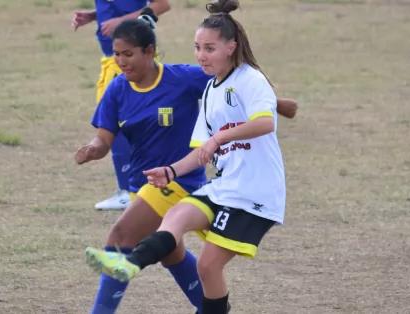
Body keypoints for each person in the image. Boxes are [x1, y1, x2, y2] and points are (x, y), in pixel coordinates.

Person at [83, 1, 287, 313]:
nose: (201, 55)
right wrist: (170, 170)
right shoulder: (207, 92)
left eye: (209, 48)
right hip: (211, 184)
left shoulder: (227, 78)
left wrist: (273, 107)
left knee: (126, 236)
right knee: (177, 247)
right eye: (197, 48)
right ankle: (133, 263)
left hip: (252, 191)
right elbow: (200, 151)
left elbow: (263, 117)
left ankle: (124, 265)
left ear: (149, 52)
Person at [72, 0, 172, 211]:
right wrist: (94, 16)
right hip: (112, 60)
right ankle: (129, 189)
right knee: (113, 125)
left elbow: (162, 4)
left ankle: (128, 190)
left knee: (119, 125)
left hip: (129, 61)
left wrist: (121, 21)